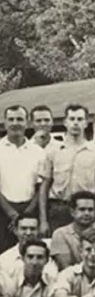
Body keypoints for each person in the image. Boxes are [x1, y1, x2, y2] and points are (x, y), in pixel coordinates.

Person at [38, 103, 95, 234]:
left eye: (80, 119)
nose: (75, 123)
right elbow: (44, 186)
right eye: (72, 119)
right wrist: (43, 220)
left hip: (86, 210)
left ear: (86, 123)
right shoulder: (53, 151)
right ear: (65, 122)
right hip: (59, 209)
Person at [0, 105, 45, 251]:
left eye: (20, 119)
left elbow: (41, 186)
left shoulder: (37, 151)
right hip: (3, 210)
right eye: (11, 119)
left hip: (30, 210)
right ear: (4, 122)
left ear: (27, 122)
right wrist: (11, 213)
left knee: (30, 252)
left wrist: (26, 213)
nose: (15, 123)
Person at [49, 191, 95, 271]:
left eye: (90, 210)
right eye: (82, 209)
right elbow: (66, 268)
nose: (86, 213)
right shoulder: (60, 234)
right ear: (72, 212)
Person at [0, 216, 57, 283]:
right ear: (15, 231)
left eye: (32, 229)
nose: (28, 233)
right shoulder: (5, 259)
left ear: (38, 231)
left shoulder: (52, 246)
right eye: (23, 228)